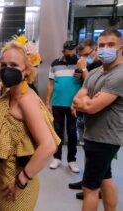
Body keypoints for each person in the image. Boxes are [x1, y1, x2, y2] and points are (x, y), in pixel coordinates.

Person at [0, 41, 60, 211]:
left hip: (17, 187)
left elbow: (48, 146)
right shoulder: (10, 94)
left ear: (27, 71)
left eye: (14, 65)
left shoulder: (26, 101)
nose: (7, 69)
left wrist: (20, 180)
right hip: (3, 180)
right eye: (4, 65)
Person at [72, 28, 123, 211]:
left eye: (111, 45)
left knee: (90, 187)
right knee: (105, 177)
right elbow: (78, 100)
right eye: (101, 45)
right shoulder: (95, 73)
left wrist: (87, 102)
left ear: (120, 48)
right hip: (93, 134)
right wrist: (86, 101)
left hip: (106, 137)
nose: (105, 48)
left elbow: (91, 107)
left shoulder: (119, 75)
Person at [68, 39, 103, 200]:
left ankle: (96, 186)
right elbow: (84, 87)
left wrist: (83, 68)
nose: (84, 58)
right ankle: (87, 180)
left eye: (87, 55)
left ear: (95, 50)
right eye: (81, 56)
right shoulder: (89, 66)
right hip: (84, 113)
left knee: (100, 156)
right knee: (87, 149)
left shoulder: (102, 67)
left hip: (100, 117)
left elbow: (93, 86)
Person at [46, 40, 81, 173]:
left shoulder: (80, 63)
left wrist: (82, 73)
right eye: (69, 50)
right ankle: (57, 158)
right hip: (57, 103)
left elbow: (86, 82)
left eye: (73, 50)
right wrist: (48, 102)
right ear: (63, 51)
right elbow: (50, 84)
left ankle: (72, 160)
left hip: (74, 104)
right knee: (57, 131)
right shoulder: (55, 63)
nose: (71, 52)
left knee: (72, 132)